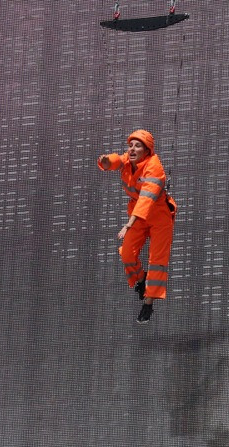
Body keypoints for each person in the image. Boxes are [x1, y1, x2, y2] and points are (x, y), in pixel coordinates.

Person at [97, 129, 177, 324]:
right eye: (130, 145)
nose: (132, 149)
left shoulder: (154, 167)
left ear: (147, 150)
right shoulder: (128, 160)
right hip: (138, 215)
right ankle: (141, 281)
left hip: (158, 215)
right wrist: (105, 162)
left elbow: (146, 200)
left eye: (137, 146)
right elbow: (116, 160)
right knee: (127, 254)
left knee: (157, 259)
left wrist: (128, 224)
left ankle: (148, 303)